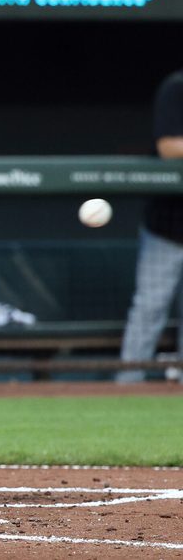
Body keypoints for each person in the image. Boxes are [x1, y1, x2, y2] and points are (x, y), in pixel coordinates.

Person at [116, 68, 183, 383]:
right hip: (167, 228)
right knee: (150, 306)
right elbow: (170, 148)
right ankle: (128, 385)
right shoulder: (177, 87)